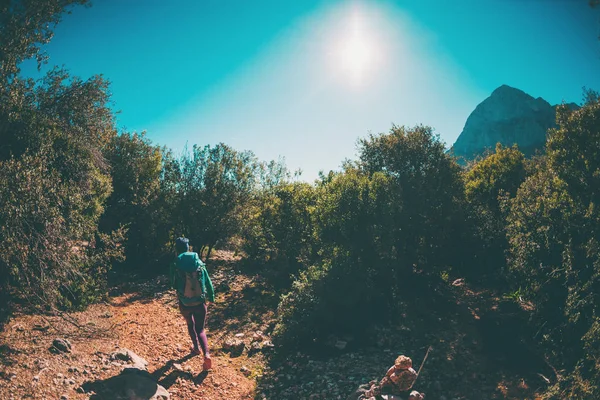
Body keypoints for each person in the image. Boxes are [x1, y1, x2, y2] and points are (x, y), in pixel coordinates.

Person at [170, 237, 215, 370]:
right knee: (200, 329)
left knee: (191, 324)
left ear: (177, 249)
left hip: (185, 303)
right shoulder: (199, 262)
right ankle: (206, 354)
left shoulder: (176, 263)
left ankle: (196, 348)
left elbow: (173, 284)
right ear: (188, 247)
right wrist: (211, 297)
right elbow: (208, 281)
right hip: (200, 302)